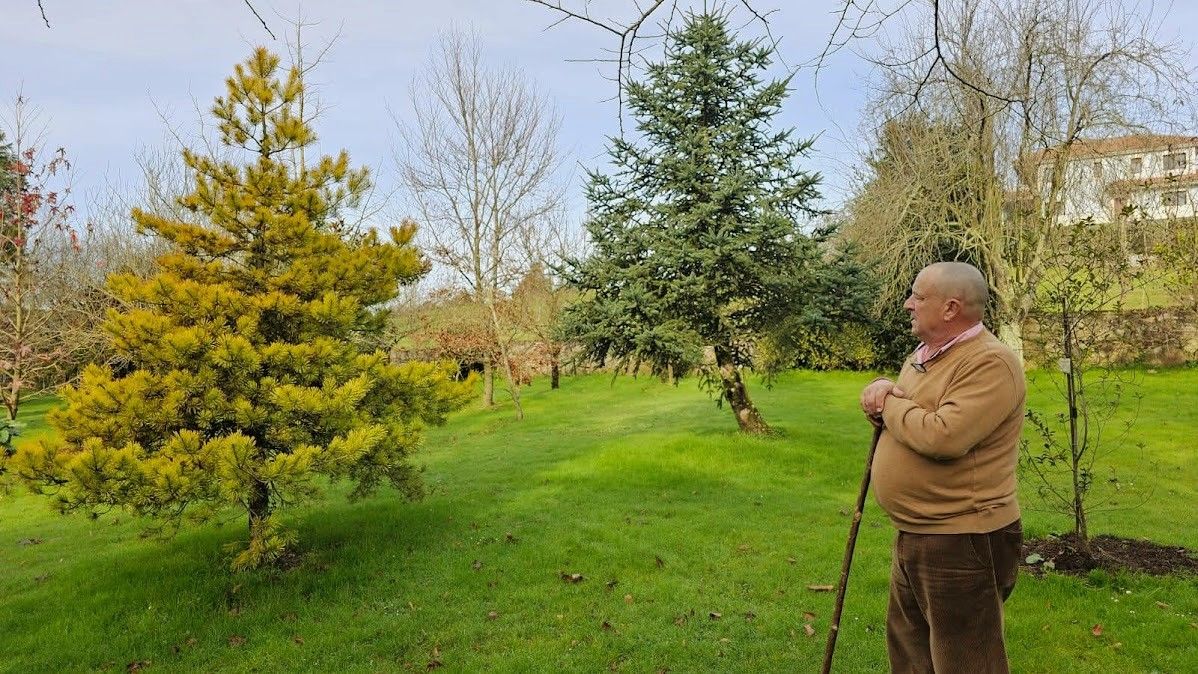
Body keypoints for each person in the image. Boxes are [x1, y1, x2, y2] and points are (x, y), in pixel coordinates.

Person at [859, 261, 1025, 674]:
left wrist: (888, 401)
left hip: (963, 536)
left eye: (918, 296)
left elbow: (943, 436)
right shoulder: (925, 357)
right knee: (912, 654)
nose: (907, 304)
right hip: (918, 531)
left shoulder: (989, 362)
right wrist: (887, 410)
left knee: (966, 661)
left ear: (950, 308)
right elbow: (909, 420)